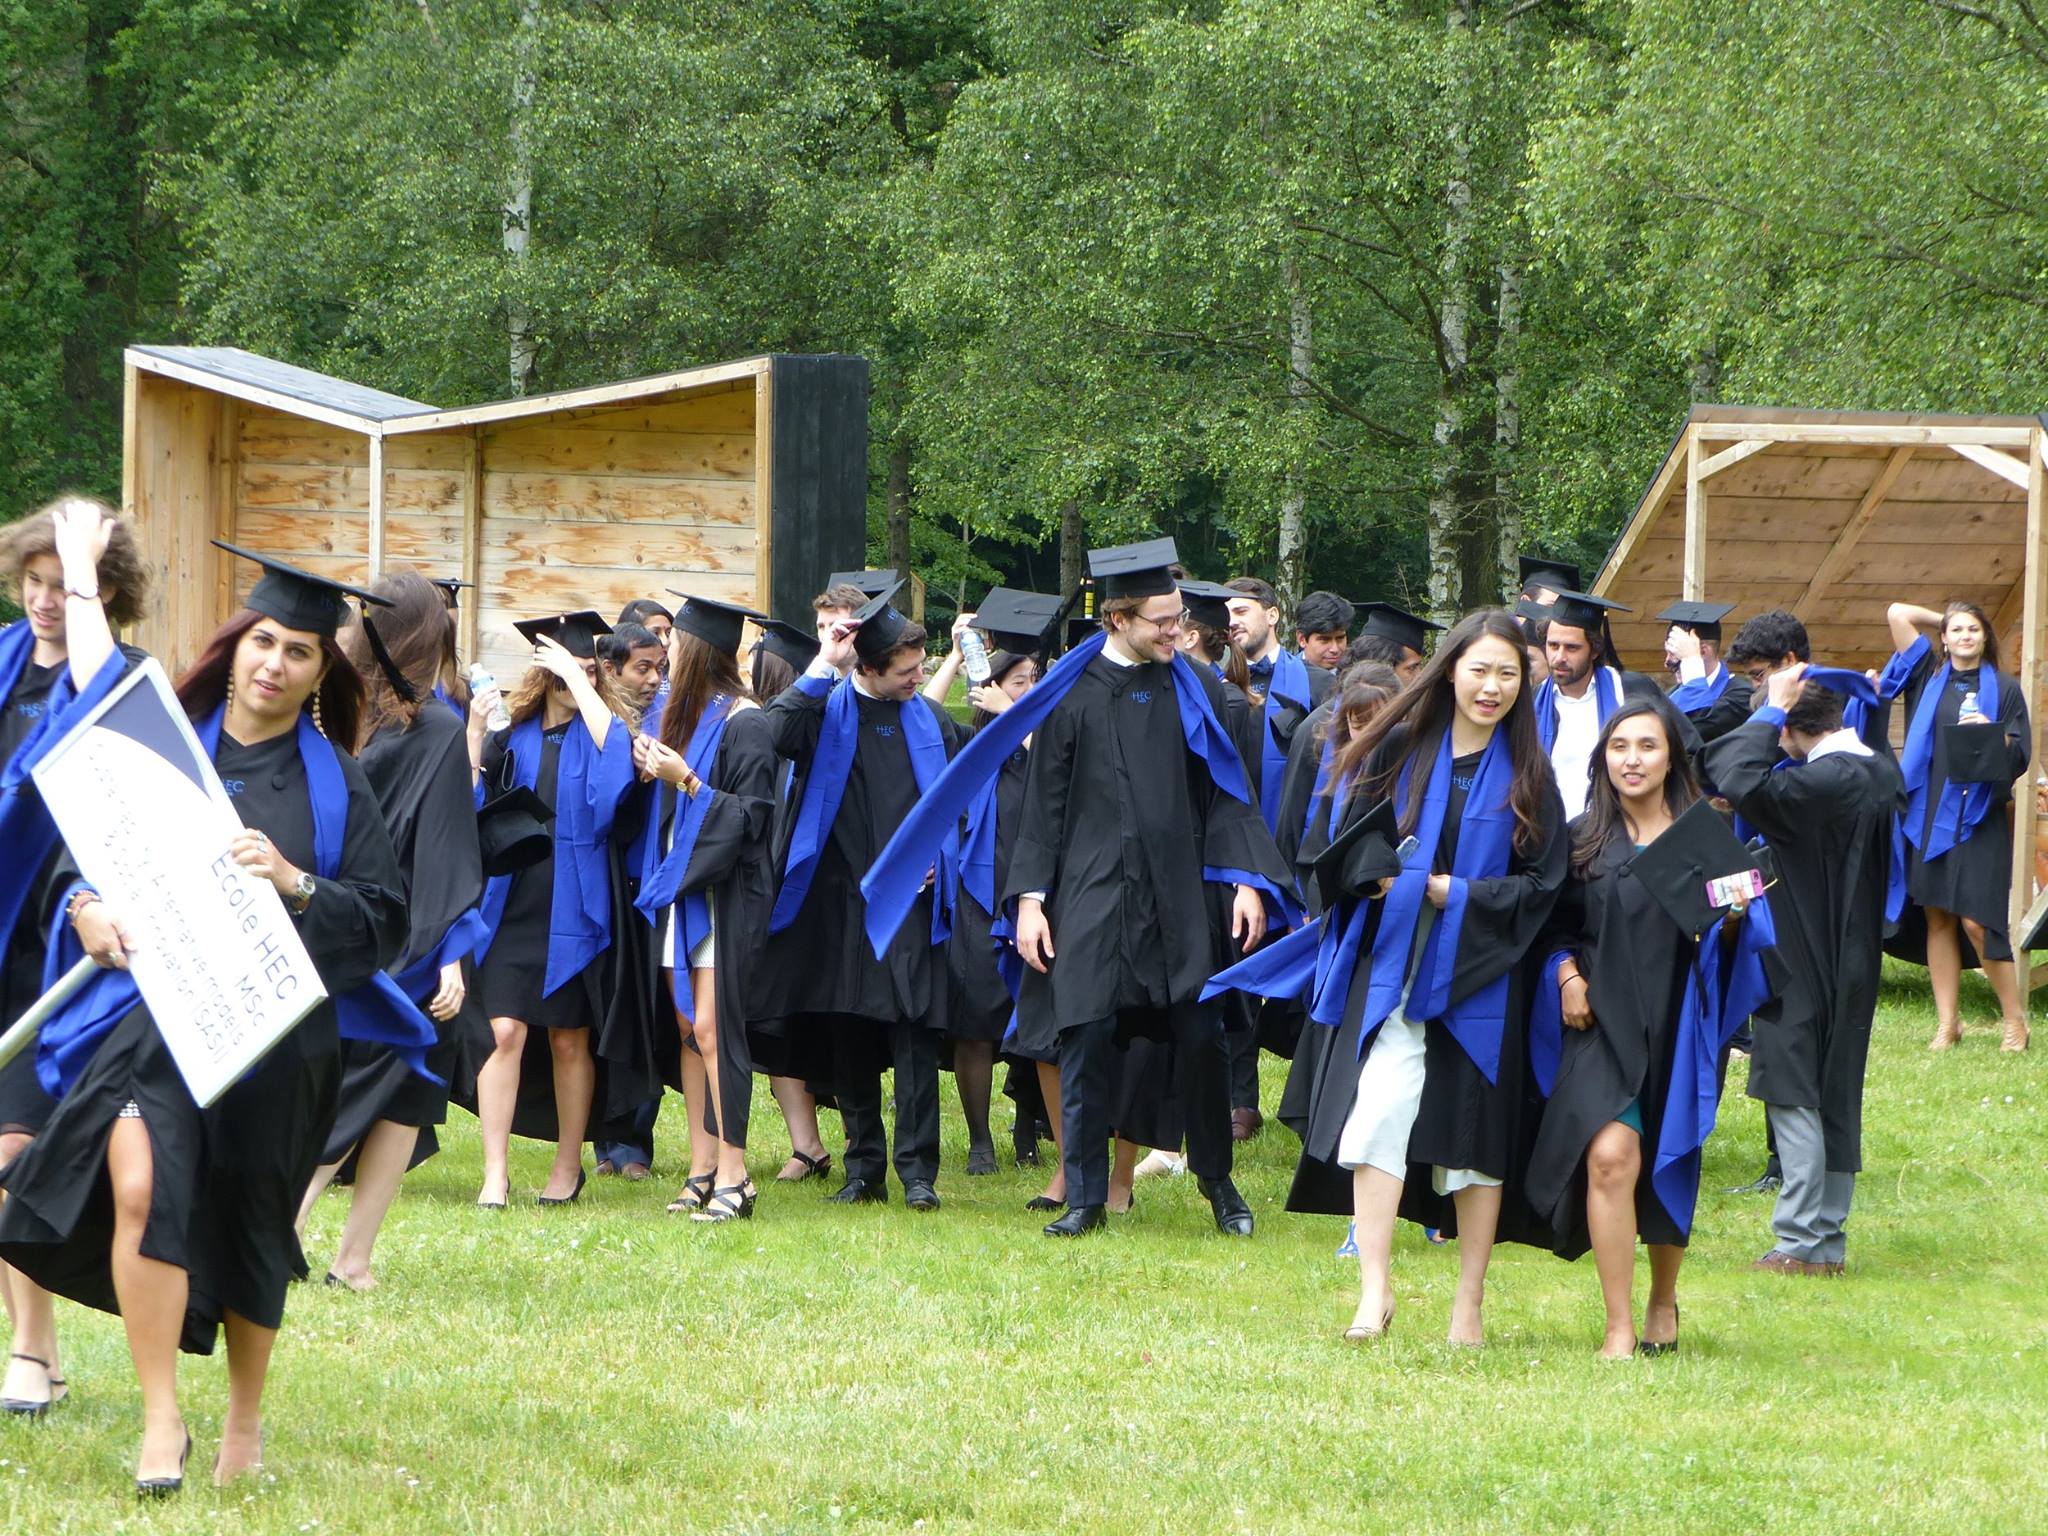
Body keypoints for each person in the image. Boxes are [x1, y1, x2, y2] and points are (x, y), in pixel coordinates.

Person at [0, 534, 408, 1493]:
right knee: (140, 1187)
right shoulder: (158, 743)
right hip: (153, 1023)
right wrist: (83, 906)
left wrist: (297, 882)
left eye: (299, 651)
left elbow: (385, 922)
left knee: (253, 1218)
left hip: (273, 1035)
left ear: (319, 671)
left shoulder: (336, 783)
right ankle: (161, 1421)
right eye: (264, 641)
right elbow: (76, 856)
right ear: (235, 645)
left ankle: (244, 1420)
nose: (275, 664)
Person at [890, 538, 1293, 1238]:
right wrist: (1029, 900)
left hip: (1179, 897)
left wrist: (1247, 882)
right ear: (1117, 618)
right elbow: (1043, 807)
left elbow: (1229, 794)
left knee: (1201, 1041)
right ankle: (1084, 1197)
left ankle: (1218, 1183)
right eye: (1162, 621)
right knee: (1083, 1038)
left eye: (1178, 619)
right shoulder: (1070, 695)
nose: (1177, 632)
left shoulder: (1196, 689)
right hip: (1093, 895)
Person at [1272, 609, 1566, 1344]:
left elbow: (1544, 884)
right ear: (1450, 670)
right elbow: (1340, 846)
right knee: (1377, 1115)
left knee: (1473, 1143)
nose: (1492, 686)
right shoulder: (1398, 749)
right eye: (1480, 669)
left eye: (1508, 674)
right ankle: (1374, 1291)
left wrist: (1455, 893)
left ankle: (1469, 1303)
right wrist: (1373, 877)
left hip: (1482, 977)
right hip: (1396, 971)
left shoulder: (1530, 774)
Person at [1526, 696, 1776, 1357]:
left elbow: (1740, 944)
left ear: (1671, 759)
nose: (1631, 760)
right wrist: (1565, 976)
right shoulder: (1580, 841)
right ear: (1603, 758)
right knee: (1611, 1158)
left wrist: (1735, 918)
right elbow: (1551, 929)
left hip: (1679, 1024)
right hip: (1602, 1022)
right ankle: (1618, 1324)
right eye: (1619, 747)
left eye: (1647, 746)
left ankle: (1663, 1298)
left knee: (1671, 1156)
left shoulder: (1706, 840)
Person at [0, 498, 149, 1418]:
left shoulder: (121, 680)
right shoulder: (1, 665)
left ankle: (29, 1345)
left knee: (16, 1149)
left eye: (65, 584)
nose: (47, 600)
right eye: (35, 581)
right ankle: (38, 1343)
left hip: (66, 945)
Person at [298, 570, 486, 1291]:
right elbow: (444, 850)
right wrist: (453, 954)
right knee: (373, 1089)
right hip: (406, 945)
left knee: (401, 1092)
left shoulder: (338, 715)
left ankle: (352, 1259)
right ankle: (290, 1231)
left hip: (335, 924)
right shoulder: (433, 728)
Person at [759, 581, 964, 1210]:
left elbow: (956, 804)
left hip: (909, 905)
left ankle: (919, 1172)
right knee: (849, 1030)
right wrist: (826, 662)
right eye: (907, 670)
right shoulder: (824, 712)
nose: (919, 678)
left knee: (914, 1034)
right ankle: (864, 1168)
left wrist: (939, 860)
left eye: (921, 666)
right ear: (869, 668)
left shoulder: (930, 720)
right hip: (841, 901)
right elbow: (772, 734)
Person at [1700, 664, 1905, 1276]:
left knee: (1791, 1088)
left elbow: (1731, 771)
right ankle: (1827, 1244)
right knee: (1836, 1089)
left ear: (1790, 725)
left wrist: (1769, 709)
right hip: (1853, 955)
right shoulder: (1876, 770)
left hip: (1801, 956)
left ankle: (1796, 1241)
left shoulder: (1819, 782)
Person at [468, 611, 636, 1208]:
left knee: (568, 1040)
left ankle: (568, 1167)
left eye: (588, 670)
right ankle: (495, 1172)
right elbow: (472, 804)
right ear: (542, 674)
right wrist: (473, 731)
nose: (574, 680)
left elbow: (616, 781)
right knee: (502, 1032)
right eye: (565, 670)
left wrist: (582, 680)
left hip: (574, 910)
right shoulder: (513, 735)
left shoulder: (603, 731)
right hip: (512, 904)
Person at [629, 596, 781, 1221]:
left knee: (716, 1031)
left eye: (676, 646)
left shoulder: (747, 722)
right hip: (680, 890)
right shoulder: (685, 717)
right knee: (690, 1032)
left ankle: (736, 1176)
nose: (668, 654)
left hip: (725, 896)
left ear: (700, 653)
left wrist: (687, 779)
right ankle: (701, 1167)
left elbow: (752, 819)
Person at [922, 591, 1058, 1176]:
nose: (1028, 689)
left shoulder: (1045, 737)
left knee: (1037, 1020)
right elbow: (921, 714)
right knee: (976, 1023)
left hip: (1037, 896)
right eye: (1018, 681)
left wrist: (1015, 713)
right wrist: (956, 656)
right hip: (977, 897)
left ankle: (1028, 1128)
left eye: (1033, 680)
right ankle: (980, 1140)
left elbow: (1060, 775)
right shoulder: (966, 742)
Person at [1885, 599, 2032, 1052]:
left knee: (1977, 922)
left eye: (1974, 629)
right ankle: (1948, 1023)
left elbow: (2021, 754)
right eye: (1956, 630)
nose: (1965, 636)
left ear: (1985, 638)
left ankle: (2015, 1020)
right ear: (1944, 640)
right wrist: (1945, 617)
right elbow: (1897, 613)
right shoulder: (1926, 676)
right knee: (1938, 917)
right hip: (1928, 816)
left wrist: (1993, 733)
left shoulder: (2004, 688)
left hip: (1979, 817)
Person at [1534, 589, 1689, 821]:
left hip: (1618, 829)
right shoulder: (1533, 702)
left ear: (1594, 650)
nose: (1559, 657)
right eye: (1553, 645)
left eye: (1572, 648)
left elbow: (1686, 749)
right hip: (1550, 832)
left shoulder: (1630, 690)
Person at [1227, 576, 1335, 832]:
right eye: (1226, 615)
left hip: (1292, 830)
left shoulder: (1318, 684)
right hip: (1233, 832)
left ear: (1272, 615)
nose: (1231, 622)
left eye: (1241, 611)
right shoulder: (1216, 683)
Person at [1658, 601, 1752, 743]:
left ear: (1702, 651)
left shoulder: (1742, 695)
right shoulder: (1670, 695)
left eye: (1674, 654)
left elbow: (1699, 730)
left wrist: (1691, 661)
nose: (1667, 663)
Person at [1347, 603, 1440, 686]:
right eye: (1412, 668)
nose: (1420, 676)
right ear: (1381, 670)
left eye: (1420, 666)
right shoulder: (1343, 700)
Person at [603, 621, 666, 719]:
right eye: (643, 669)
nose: (655, 679)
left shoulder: (667, 715)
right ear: (609, 669)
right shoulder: (591, 719)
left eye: (659, 668)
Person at [1293, 592, 1355, 673]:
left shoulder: (1357, 675)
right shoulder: (1285, 676)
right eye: (1325, 640)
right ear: (1302, 639)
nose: (1335, 649)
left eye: (1340, 638)